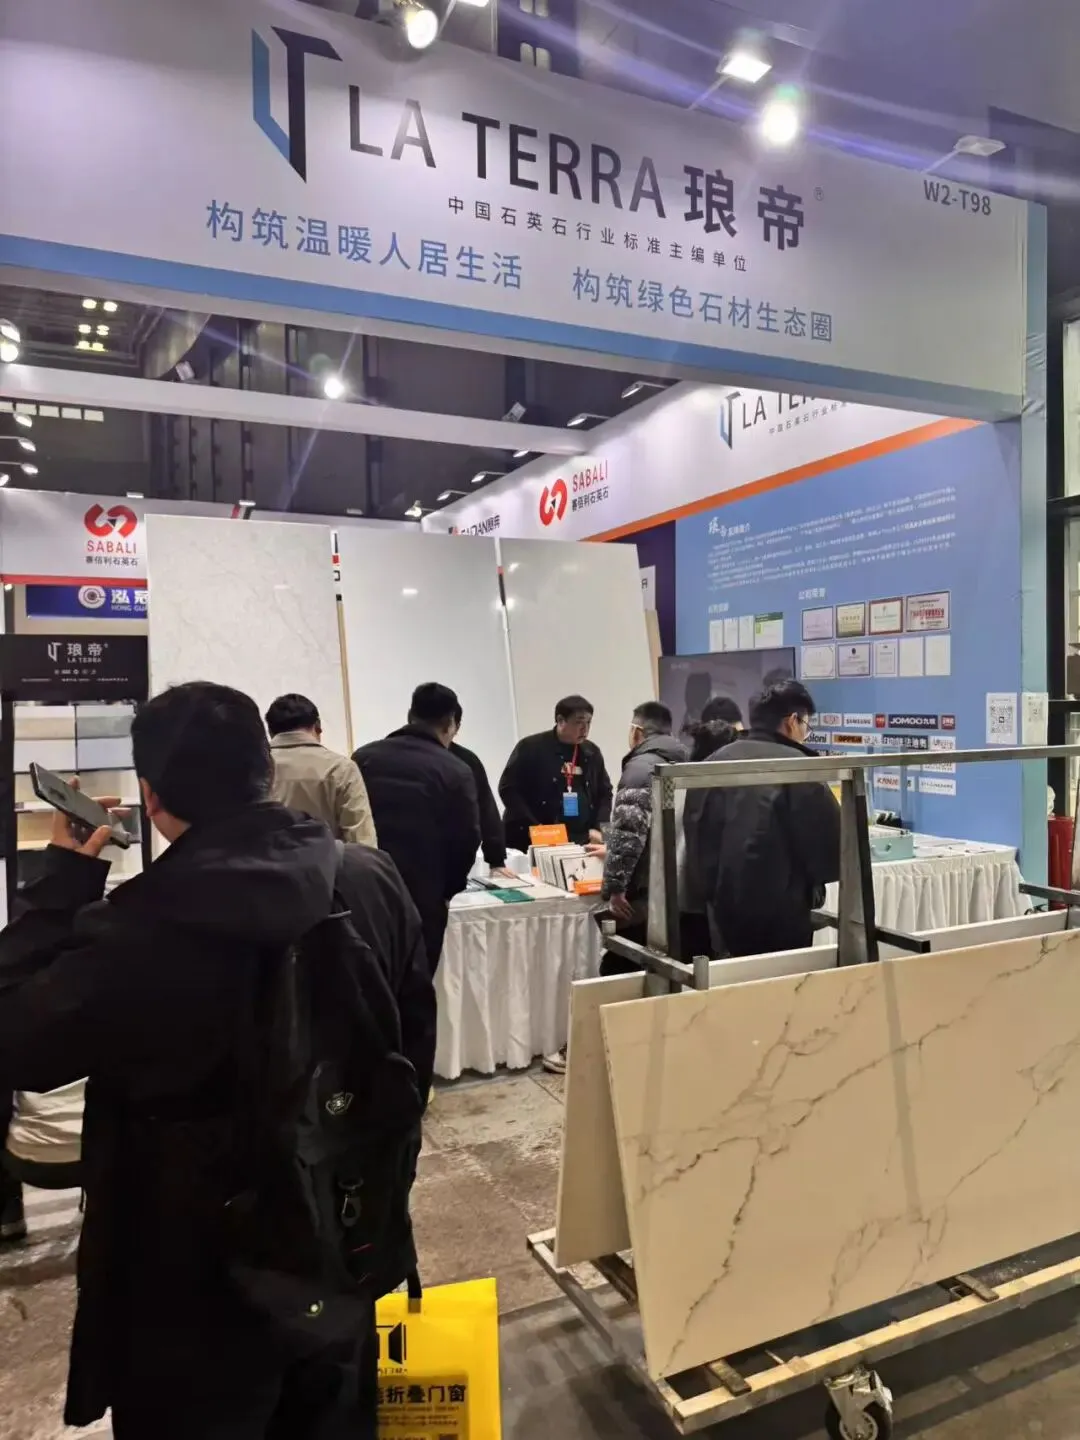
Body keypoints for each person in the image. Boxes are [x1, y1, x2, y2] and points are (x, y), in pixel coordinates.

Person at [0, 681, 436, 1439]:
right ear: (263, 771)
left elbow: (16, 1042)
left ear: (151, 795)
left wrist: (61, 887)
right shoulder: (370, 878)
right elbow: (410, 1048)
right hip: (342, 1241)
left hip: (189, 1289)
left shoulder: (134, 928)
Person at [695, 678, 841, 957]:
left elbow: (696, 833)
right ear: (792, 721)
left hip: (720, 913)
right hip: (783, 918)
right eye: (806, 726)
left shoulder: (715, 760)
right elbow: (833, 851)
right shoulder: (800, 769)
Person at [354, 683, 481, 975]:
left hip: (368, 887)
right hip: (425, 893)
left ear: (410, 716)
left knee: (370, 978)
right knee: (417, 981)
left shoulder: (363, 758)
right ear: (450, 723)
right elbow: (467, 839)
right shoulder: (455, 769)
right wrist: (449, 890)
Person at [499, 695, 612, 852]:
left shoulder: (591, 752)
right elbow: (508, 789)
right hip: (535, 839)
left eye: (588, 722)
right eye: (579, 722)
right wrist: (535, 827)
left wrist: (602, 831)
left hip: (582, 840)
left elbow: (605, 792)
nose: (585, 728)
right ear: (560, 720)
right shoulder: (531, 747)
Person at [266, 692, 377, 847]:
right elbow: (362, 842)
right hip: (328, 862)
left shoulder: (254, 768)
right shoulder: (341, 768)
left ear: (270, 731)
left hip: (265, 862)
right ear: (318, 727)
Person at [448, 703, 512, 875]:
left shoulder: (466, 760)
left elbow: (486, 809)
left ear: (456, 727)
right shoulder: (396, 757)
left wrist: (496, 859)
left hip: (454, 858)